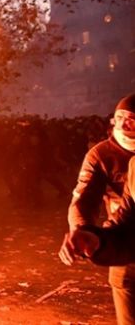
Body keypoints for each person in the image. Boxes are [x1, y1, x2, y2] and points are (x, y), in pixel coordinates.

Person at [60, 94, 135, 324]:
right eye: (119, 117)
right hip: (125, 241)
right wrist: (85, 232)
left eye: (131, 119)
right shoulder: (101, 154)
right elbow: (84, 199)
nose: (123, 124)